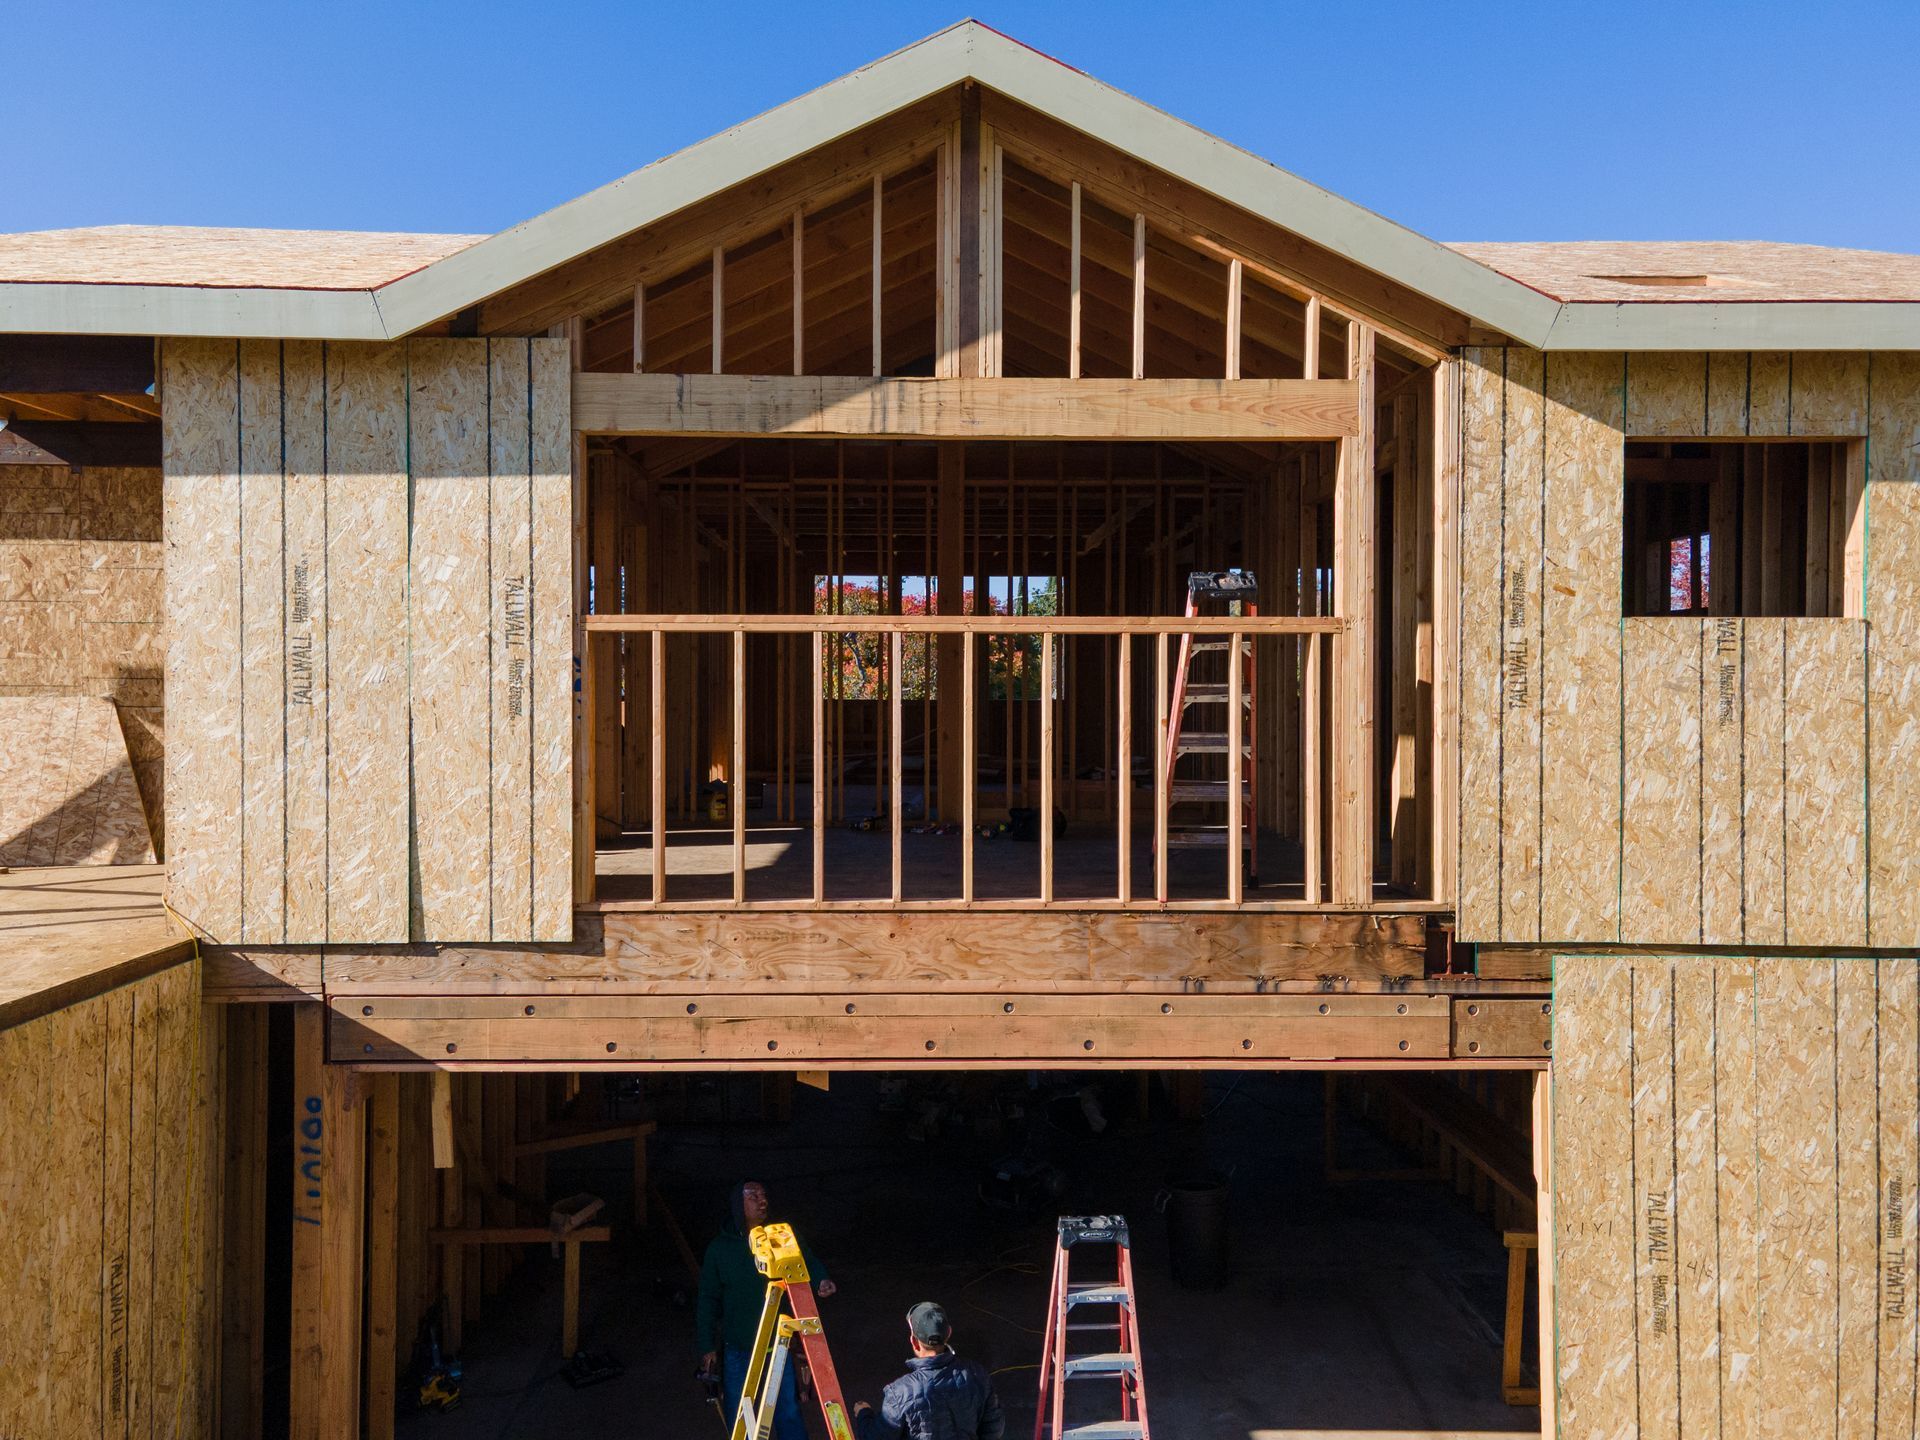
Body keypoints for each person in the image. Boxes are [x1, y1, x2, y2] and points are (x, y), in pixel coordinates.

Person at [696, 1179, 837, 1440]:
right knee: (741, 1413)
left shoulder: (781, 1237)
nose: (763, 1201)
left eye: (763, 1195)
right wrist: (706, 1345)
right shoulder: (719, 1250)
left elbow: (804, 1259)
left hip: (777, 1348)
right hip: (738, 1348)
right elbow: (708, 1299)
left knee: (788, 1411)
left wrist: (821, 1279)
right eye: (753, 1196)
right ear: (738, 1205)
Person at [853, 1302, 1004, 1440]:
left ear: (913, 1341)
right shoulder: (977, 1373)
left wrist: (863, 1413)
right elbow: (993, 1427)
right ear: (949, 1332)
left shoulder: (900, 1393)